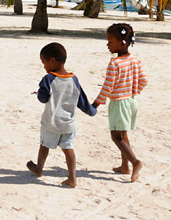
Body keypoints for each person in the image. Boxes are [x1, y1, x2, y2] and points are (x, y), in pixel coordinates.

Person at [26, 42, 96, 188]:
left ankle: (39, 169)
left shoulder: (48, 79)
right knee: (68, 148)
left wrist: (40, 92)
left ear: (52, 61)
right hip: (68, 124)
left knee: (44, 144)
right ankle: (72, 177)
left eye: (44, 63)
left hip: (51, 123)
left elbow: (43, 98)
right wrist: (93, 110)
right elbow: (81, 101)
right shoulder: (74, 79)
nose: (44, 67)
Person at [92, 23, 147, 182]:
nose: (107, 45)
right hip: (131, 101)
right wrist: (133, 91)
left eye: (110, 41)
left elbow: (107, 87)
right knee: (123, 134)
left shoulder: (114, 63)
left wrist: (96, 103)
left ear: (122, 42)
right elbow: (143, 80)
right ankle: (125, 166)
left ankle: (135, 162)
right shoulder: (134, 60)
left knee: (116, 136)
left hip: (119, 103)